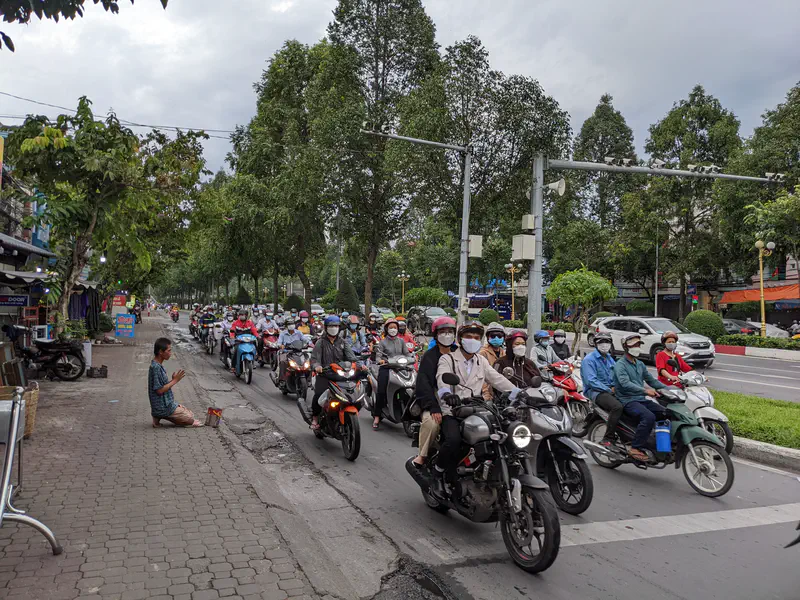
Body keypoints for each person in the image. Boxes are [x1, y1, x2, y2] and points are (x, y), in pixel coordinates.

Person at [432, 321, 520, 498]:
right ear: (460, 339)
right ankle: (438, 471)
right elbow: (442, 379)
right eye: (468, 337)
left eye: (476, 338)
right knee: (453, 441)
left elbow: (496, 379)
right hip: (452, 410)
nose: (472, 340)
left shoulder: (481, 360)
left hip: (477, 409)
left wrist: (518, 393)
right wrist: (447, 394)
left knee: (500, 434)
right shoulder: (447, 359)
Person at [613, 333, 668, 461]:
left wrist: (670, 390)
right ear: (626, 347)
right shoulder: (620, 365)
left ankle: (657, 443)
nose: (637, 347)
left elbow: (651, 380)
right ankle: (635, 447)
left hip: (641, 399)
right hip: (627, 400)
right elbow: (625, 383)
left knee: (665, 413)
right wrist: (645, 391)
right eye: (634, 345)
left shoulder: (640, 364)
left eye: (638, 344)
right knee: (649, 417)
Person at [412, 317, 456, 467]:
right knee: (432, 423)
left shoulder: (459, 353)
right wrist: (433, 407)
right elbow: (423, 385)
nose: (447, 335)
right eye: (443, 332)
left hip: (458, 402)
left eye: (450, 332)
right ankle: (422, 455)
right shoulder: (429, 357)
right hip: (435, 401)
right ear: (436, 335)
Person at [310, 315, 358, 430]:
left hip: (341, 375)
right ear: (326, 328)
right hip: (325, 374)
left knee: (353, 393)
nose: (334, 328)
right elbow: (314, 359)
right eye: (331, 326)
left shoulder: (343, 342)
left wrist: (359, 366)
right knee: (318, 395)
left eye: (336, 326)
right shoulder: (320, 342)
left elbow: (352, 358)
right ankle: (315, 418)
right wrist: (317, 366)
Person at [581, 332, 623, 448]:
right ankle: (607, 438)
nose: (605, 345)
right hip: (596, 392)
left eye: (607, 342)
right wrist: (609, 390)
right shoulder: (589, 360)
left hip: (610, 389)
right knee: (617, 407)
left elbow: (616, 375)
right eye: (601, 342)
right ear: (595, 344)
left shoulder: (610, 358)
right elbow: (591, 381)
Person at [148, 337, 201, 427]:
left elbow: (161, 386)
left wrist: (172, 380)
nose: (170, 353)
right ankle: (161, 415)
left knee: (189, 413)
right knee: (190, 419)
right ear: (161, 352)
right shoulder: (156, 367)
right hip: (163, 407)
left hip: (165, 404)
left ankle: (157, 417)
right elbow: (159, 390)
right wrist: (175, 380)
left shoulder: (157, 365)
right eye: (169, 351)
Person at [372, 318, 412, 429]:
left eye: (395, 327)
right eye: (391, 328)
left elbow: (407, 354)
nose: (393, 330)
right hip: (386, 368)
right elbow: (378, 356)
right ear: (386, 329)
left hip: (400, 368)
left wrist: (411, 359)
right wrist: (381, 361)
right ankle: (377, 415)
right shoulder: (382, 342)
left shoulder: (401, 341)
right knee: (381, 391)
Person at [479, 322, 506, 400]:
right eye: (493, 336)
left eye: (499, 336)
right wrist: (486, 392)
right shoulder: (483, 353)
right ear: (488, 338)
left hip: (502, 391)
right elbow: (480, 376)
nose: (496, 338)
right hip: (488, 393)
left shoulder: (504, 353)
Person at [229, 309, 258, 375]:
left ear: (246, 316)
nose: (241, 316)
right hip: (239, 340)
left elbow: (254, 330)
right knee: (236, 350)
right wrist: (232, 337)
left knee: (254, 347)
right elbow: (232, 330)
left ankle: (253, 362)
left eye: (243, 315)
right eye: (240, 315)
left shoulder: (250, 323)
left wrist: (257, 336)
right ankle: (233, 366)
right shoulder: (235, 323)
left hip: (248, 340)